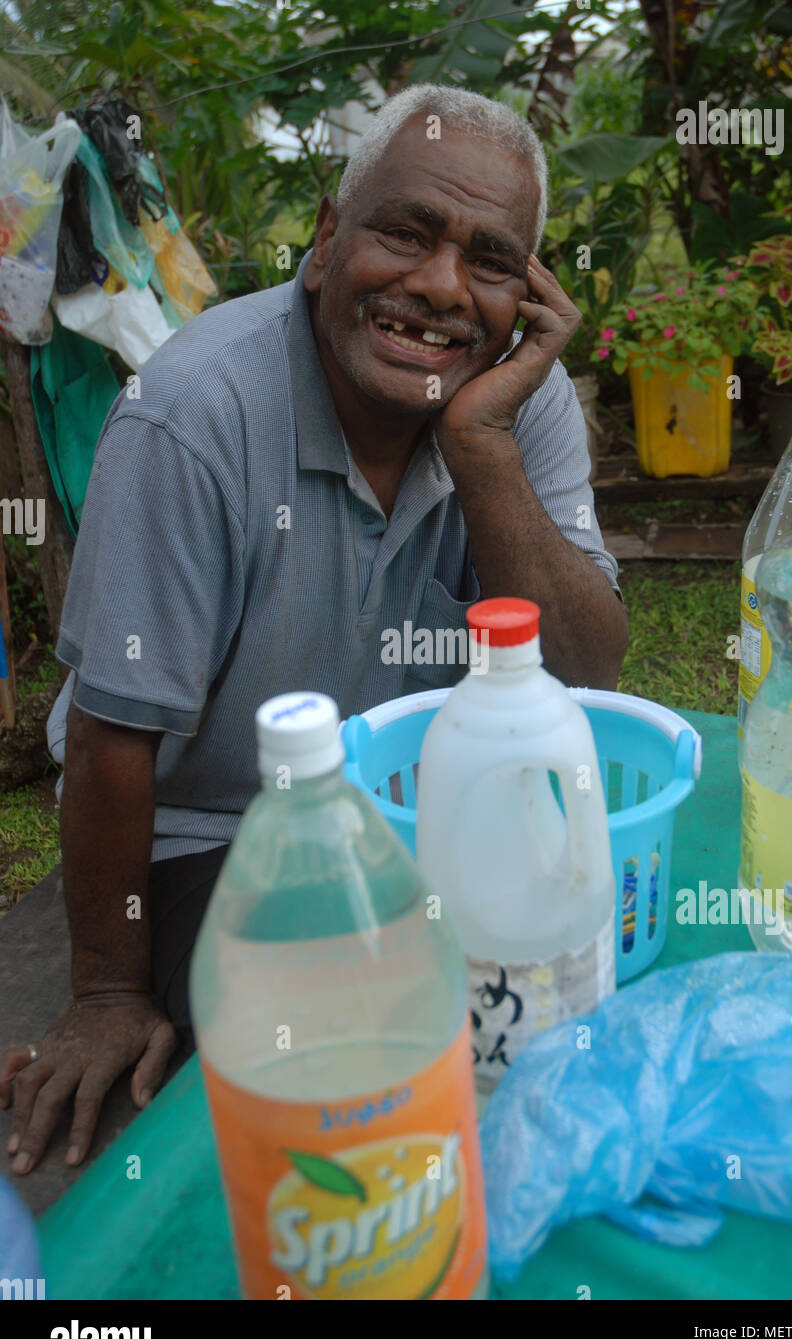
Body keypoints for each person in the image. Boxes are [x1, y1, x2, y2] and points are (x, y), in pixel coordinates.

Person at [1, 84, 628, 1175]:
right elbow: (112, 741)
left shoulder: (520, 400)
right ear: (329, 238)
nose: (437, 289)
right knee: (363, 1063)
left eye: (487, 260)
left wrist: (481, 447)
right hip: (230, 837)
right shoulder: (193, 414)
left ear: (525, 294)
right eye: (404, 231)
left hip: (424, 823)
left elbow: (589, 664)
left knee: (585, 976)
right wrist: (107, 988)